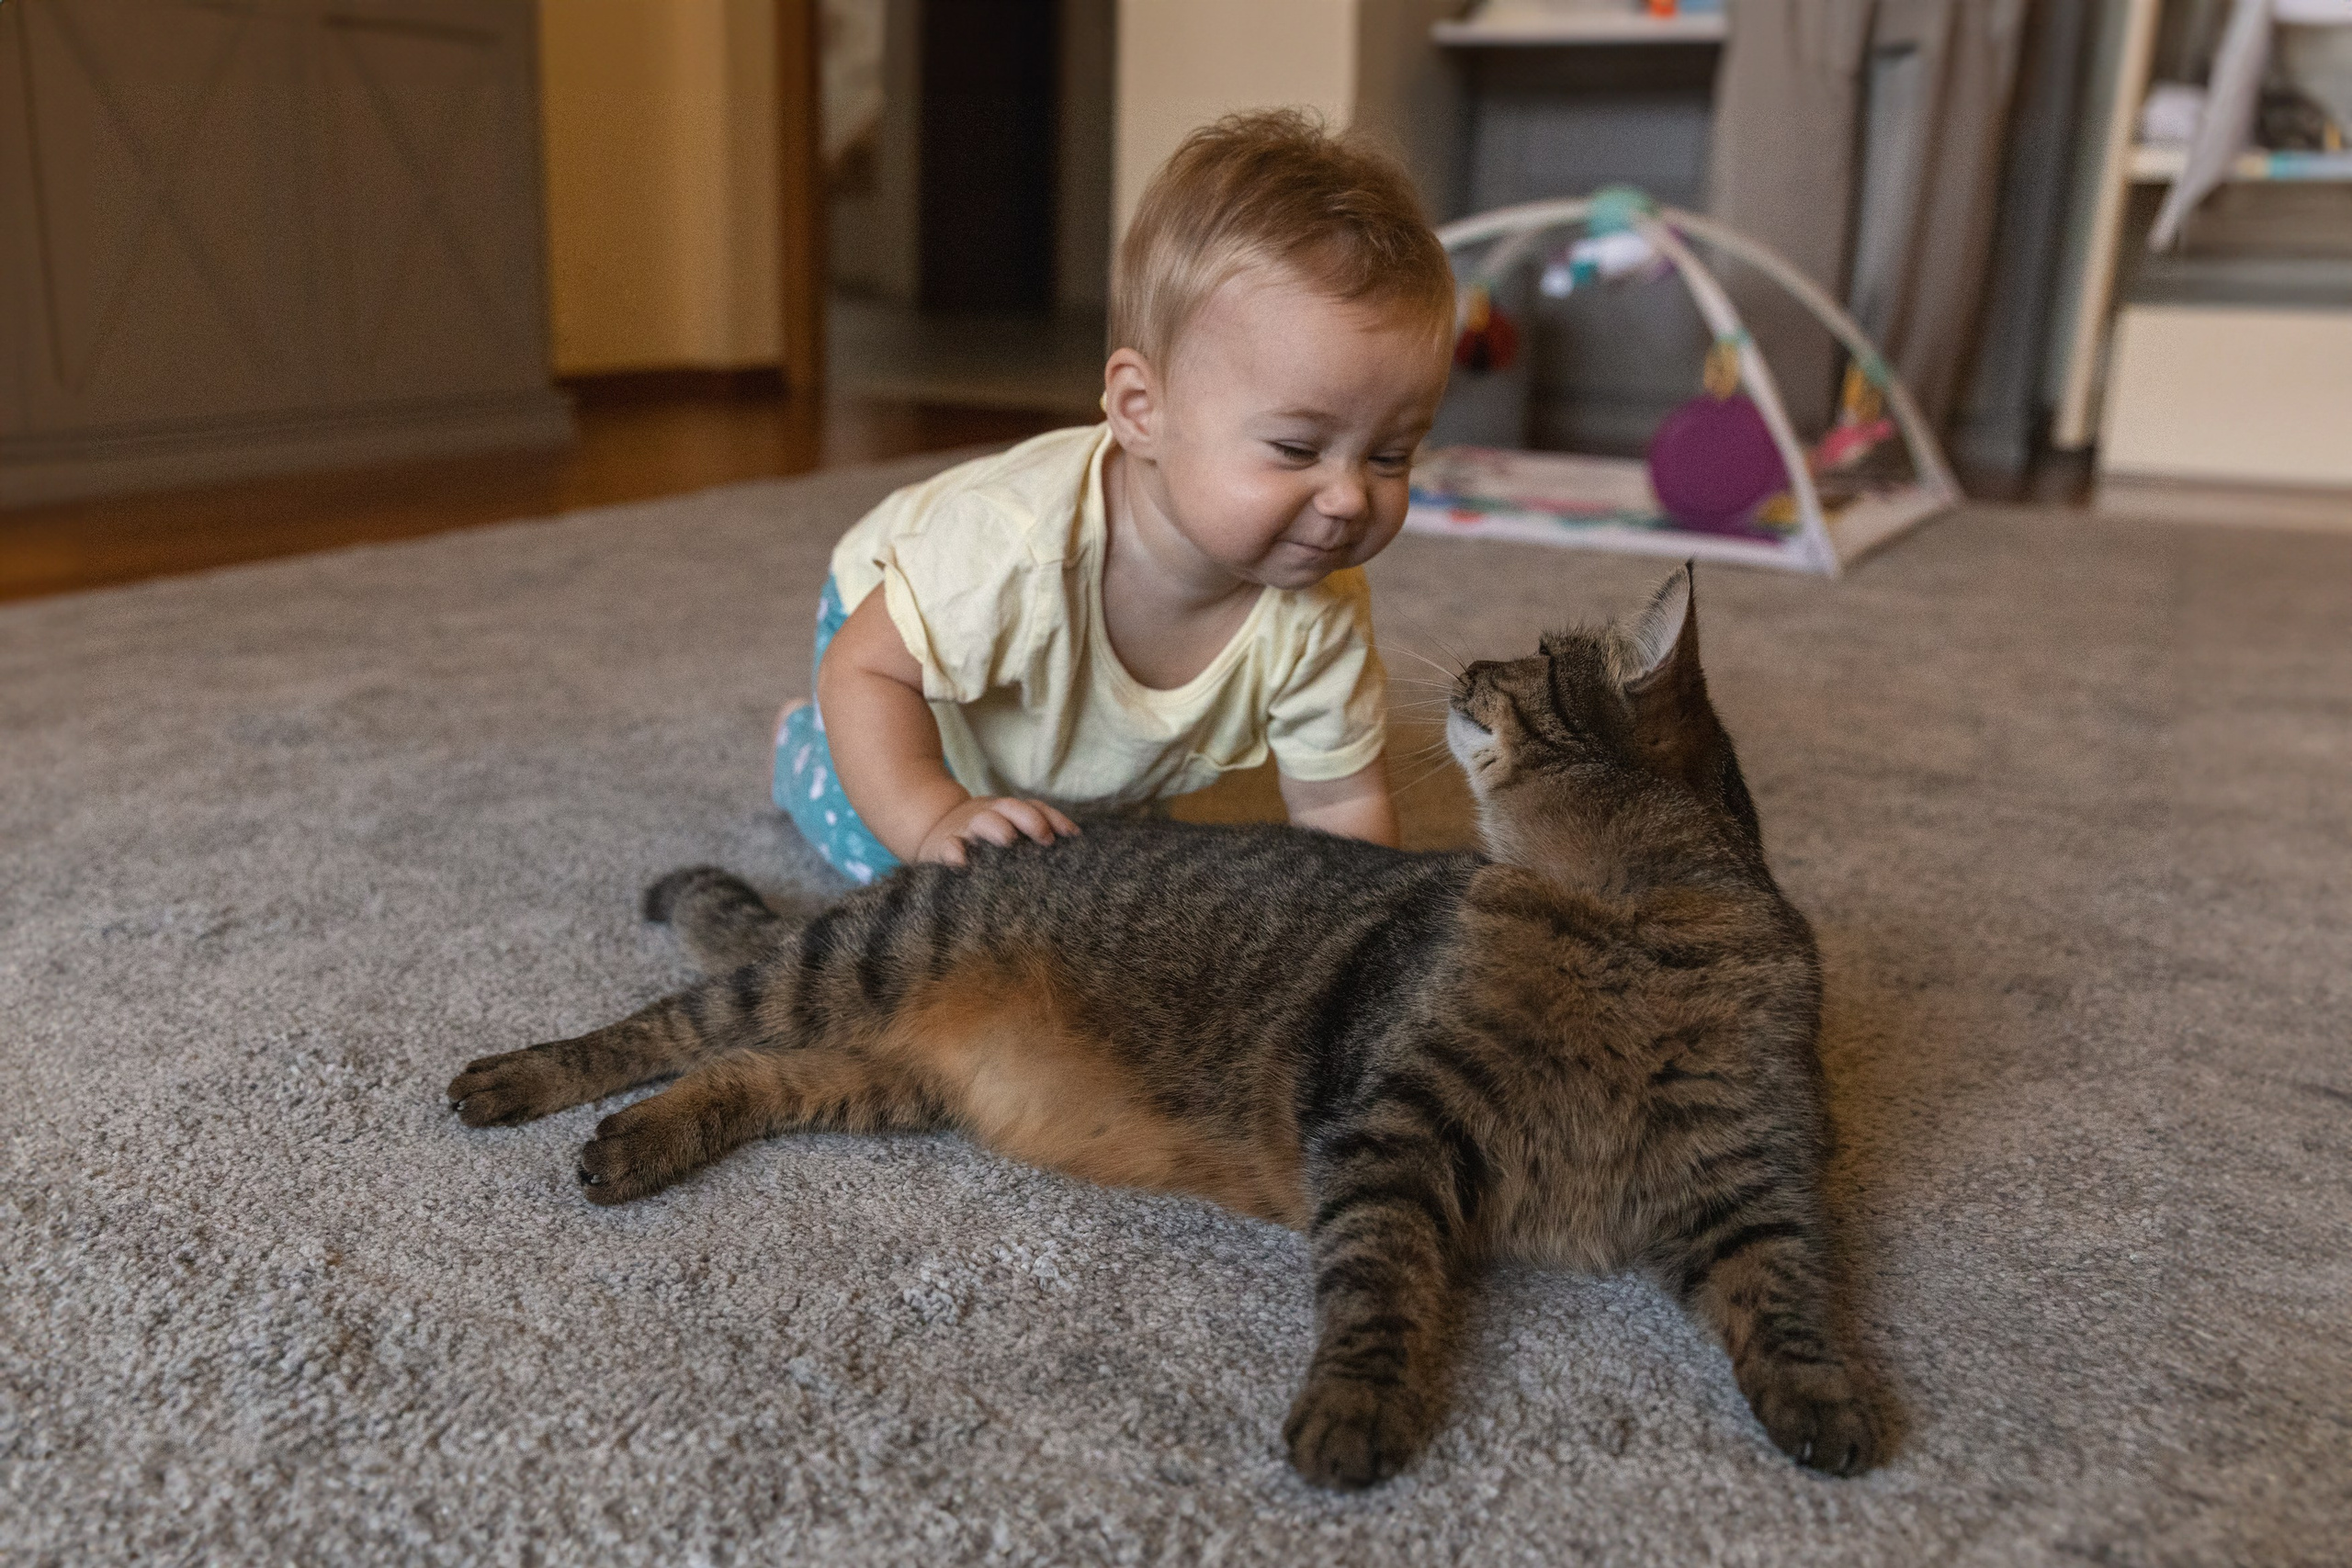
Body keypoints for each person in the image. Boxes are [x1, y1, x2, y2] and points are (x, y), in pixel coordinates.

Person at [774, 109, 1456, 883]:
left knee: (1097, 858)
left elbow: (1341, 802)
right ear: (1141, 410)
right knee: (902, 863)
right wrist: (936, 816)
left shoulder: (1321, 607)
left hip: (1060, 727)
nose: (1350, 498)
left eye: (1391, 456)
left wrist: (1370, 917)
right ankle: (800, 751)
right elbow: (866, 671)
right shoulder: (1015, 546)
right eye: (1298, 449)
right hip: (890, 642)